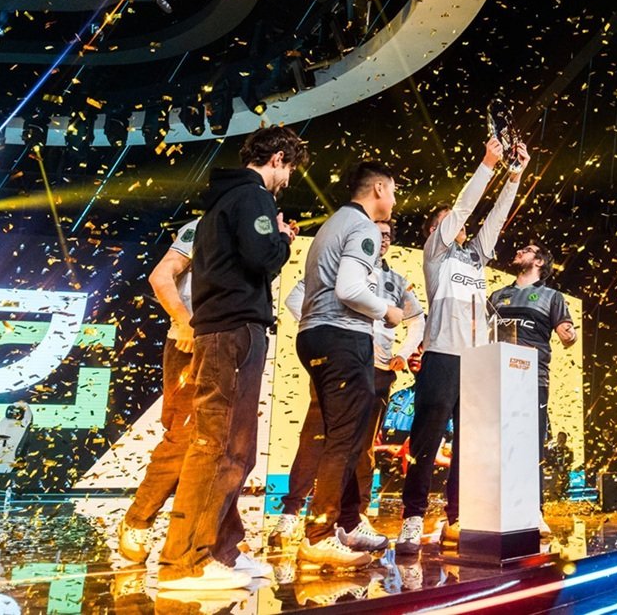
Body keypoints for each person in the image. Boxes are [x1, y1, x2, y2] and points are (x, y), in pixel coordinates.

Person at [156, 126, 303, 591]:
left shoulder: (222, 202)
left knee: (235, 449)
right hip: (235, 330)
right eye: (290, 169)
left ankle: (220, 548)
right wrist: (282, 238)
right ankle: (185, 561)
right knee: (218, 446)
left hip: (225, 330)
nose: (288, 180)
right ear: (277, 159)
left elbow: (243, 261)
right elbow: (262, 257)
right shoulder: (254, 197)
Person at [396, 136, 529, 555]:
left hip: (476, 366)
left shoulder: (475, 258)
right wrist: (487, 164)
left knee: (467, 449)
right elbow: (464, 208)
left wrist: (514, 176)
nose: (462, 226)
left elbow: (495, 219)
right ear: (435, 230)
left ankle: (456, 518)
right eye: (449, 222)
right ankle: (412, 518)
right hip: (441, 357)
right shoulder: (435, 256)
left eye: (461, 225)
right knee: (426, 442)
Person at [272, 219, 425, 547]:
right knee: (315, 438)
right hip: (339, 364)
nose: (383, 239)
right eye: (378, 233)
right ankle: (291, 513)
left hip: (377, 370)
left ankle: (354, 517)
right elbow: (295, 299)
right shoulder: (341, 267)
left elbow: (417, 321)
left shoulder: (397, 281)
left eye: (387, 235)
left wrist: (403, 353)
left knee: (362, 447)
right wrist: (329, 330)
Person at [295, 162, 403, 570]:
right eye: (393, 191)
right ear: (378, 189)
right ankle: (319, 537)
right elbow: (350, 288)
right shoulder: (363, 228)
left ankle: (348, 521)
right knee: (344, 440)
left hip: (315, 335)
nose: (395, 200)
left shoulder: (334, 224)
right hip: (342, 337)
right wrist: (387, 310)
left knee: (348, 436)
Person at [118, 217, 199, 564]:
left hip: (228, 348)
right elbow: (161, 276)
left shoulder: (252, 228)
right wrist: (184, 320)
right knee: (184, 439)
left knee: (221, 447)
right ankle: (138, 519)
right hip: (189, 346)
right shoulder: (205, 225)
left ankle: (203, 536)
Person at [488, 240, 576, 526]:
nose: (518, 251)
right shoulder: (497, 295)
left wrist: (569, 333)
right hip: (495, 379)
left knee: (529, 449)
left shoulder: (552, 297)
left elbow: (567, 335)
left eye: (526, 250)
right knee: (494, 447)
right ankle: (492, 511)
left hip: (532, 379)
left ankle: (533, 512)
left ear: (539, 262)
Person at [546, 431, 574, 502]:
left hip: (565, 473)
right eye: (559, 438)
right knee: (553, 489)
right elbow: (549, 461)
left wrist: (565, 469)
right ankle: (554, 501)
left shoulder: (569, 451)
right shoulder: (553, 450)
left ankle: (564, 500)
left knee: (564, 488)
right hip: (555, 472)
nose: (560, 439)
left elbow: (570, 462)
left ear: (565, 439)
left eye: (562, 438)